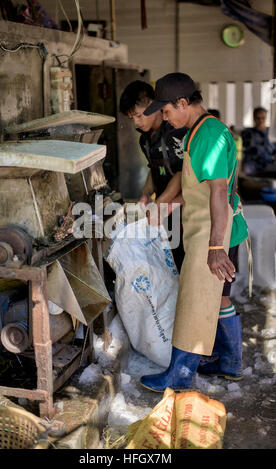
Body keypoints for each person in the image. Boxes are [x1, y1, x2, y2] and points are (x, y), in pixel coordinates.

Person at [139, 73, 249, 392]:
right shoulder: (194, 133)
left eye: (167, 110)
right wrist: (168, 206)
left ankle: (180, 373)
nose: (164, 116)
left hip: (216, 231)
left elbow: (217, 191)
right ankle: (228, 362)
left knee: (194, 299)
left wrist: (216, 248)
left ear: (183, 103)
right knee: (213, 299)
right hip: (206, 228)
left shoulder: (210, 135)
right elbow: (194, 185)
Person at [119, 80, 187, 272]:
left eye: (139, 115)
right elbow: (154, 169)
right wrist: (146, 194)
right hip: (166, 210)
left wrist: (162, 204)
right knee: (172, 258)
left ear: (153, 105)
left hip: (185, 205)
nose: (137, 122)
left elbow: (184, 174)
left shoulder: (175, 131)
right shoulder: (145, 140)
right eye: (131, 118)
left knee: (186, 258)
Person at [241, 107, 276, 177]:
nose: (261, 120)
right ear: (254, 119)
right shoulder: (247, 132)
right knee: (245, 171)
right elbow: (245, 149)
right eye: (258, 118)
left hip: (268, 163)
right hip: (252, 163)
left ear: (266, 118)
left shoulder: (272, 133)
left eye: (263, 118)